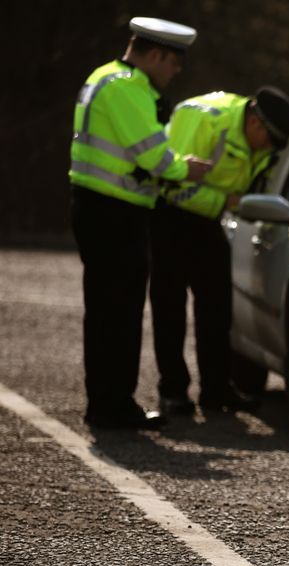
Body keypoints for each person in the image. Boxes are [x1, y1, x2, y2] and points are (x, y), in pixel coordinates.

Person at [69, 17, 212, 429]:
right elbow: (152, 156)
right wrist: (187, 169)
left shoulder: (107, 77)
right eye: (173, 64)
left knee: (106, 311)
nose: (176, 72)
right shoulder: (127, 87)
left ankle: (108, 402)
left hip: (102, 209)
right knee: (119, 312)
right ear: (155, 54)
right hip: (113, 213)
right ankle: (113, 406)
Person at [150, 87, 289, 416]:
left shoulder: (263, 141)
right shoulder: (204, 119)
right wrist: (227, 202)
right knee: (170, 307)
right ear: (254, 122)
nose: (266, 149)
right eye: (268, 140)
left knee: (217, 306)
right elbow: (172, 185)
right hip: (168, 216)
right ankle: (173, 391)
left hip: (210, 220)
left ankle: (216, 391)